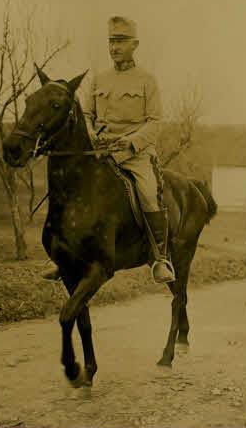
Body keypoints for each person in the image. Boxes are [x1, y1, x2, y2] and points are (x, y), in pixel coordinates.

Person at [42, 16, 175, 284]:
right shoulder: (99, 79)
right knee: (72, 190)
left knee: (149, 194)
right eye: (111, 42)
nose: (114, 47)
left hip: (135, 154)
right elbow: (87, 114)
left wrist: (131, 141)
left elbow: (155, 122)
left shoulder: (147, 80)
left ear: (134, 45)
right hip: (100, 152)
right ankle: (65, 257)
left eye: (121, 42)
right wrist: (90, 133)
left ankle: (159, 258)